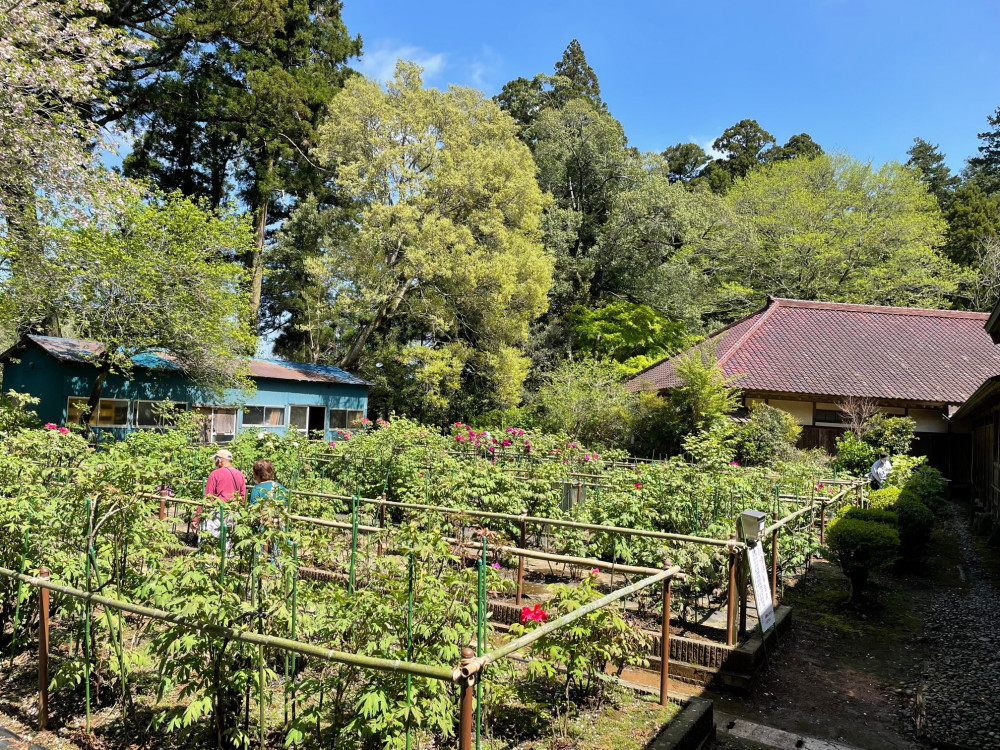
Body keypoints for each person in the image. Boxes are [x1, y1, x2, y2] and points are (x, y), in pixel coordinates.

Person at [197, 449, 246, 546]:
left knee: (209, 542)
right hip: (233, 513)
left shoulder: (215, 474)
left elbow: (208, 497)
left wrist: (197, 517)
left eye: (215, 459)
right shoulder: (240, 474)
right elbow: (242, 497)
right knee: (228, 543)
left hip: (217, 513)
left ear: (220, 461)